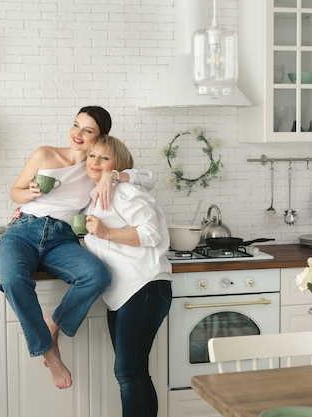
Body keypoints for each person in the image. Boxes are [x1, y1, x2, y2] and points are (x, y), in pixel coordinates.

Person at [0, 106, 153, 390]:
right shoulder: (45, 154)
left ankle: (54, 325)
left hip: (62, 237)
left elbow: (148, 178)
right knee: (12, 278)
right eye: (76, 125)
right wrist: (28, 193)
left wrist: (112, 176)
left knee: (97, 275)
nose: (77, 134)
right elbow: (14, 192)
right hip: (24, 230)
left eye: (88, 130)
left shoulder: (96, 167)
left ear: (100, 137)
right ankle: (49, 351)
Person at [83, 135, 172, 417]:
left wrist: (105, 232)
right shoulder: (95, 197)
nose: (95, 162)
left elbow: (150, 233)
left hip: (144, 286)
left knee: (128, 371)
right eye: (91, 156)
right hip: (124, 293)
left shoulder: (124, 191)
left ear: (118, 166)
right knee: (134, 371)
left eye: (104, 157)